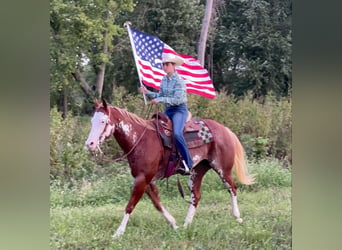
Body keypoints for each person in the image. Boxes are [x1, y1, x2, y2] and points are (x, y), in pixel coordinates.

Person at [140, 54, 193, 175]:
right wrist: (147, 92)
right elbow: (160, 95)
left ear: (173, 66)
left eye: (167, 64)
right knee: (154, 128)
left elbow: (178, 99)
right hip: (168, 110)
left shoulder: (179, 81)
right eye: (163, 64)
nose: (164, 67)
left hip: (179, 109)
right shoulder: (164, 80)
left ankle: (188, 164)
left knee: (177, 133)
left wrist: (161, 100)